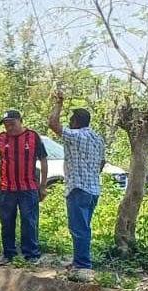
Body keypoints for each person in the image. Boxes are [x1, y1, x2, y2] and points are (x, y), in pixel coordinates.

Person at [0, 110, 49, 266]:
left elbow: (43, 160)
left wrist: (43, 185)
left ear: (20, 121)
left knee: (29, 221)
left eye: (12, 124)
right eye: (6, 124)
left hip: (28, 187)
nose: (9, 127)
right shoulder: (1, 138)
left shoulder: (32, 136)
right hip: (6, 188)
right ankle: (9, 254)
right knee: (7, 222)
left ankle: (31, 255)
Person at [48, 91, 105, 278]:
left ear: (76, 121)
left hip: (78, 188)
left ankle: (82, 265)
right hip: (93, 189)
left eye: (71, 120)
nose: (70, 123)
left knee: (79, 228)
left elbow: (53, 124)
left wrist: (59, 103)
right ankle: (79, 260)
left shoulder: (75, 136)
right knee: (84, 227)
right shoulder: (98, 138)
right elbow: (102, 163)